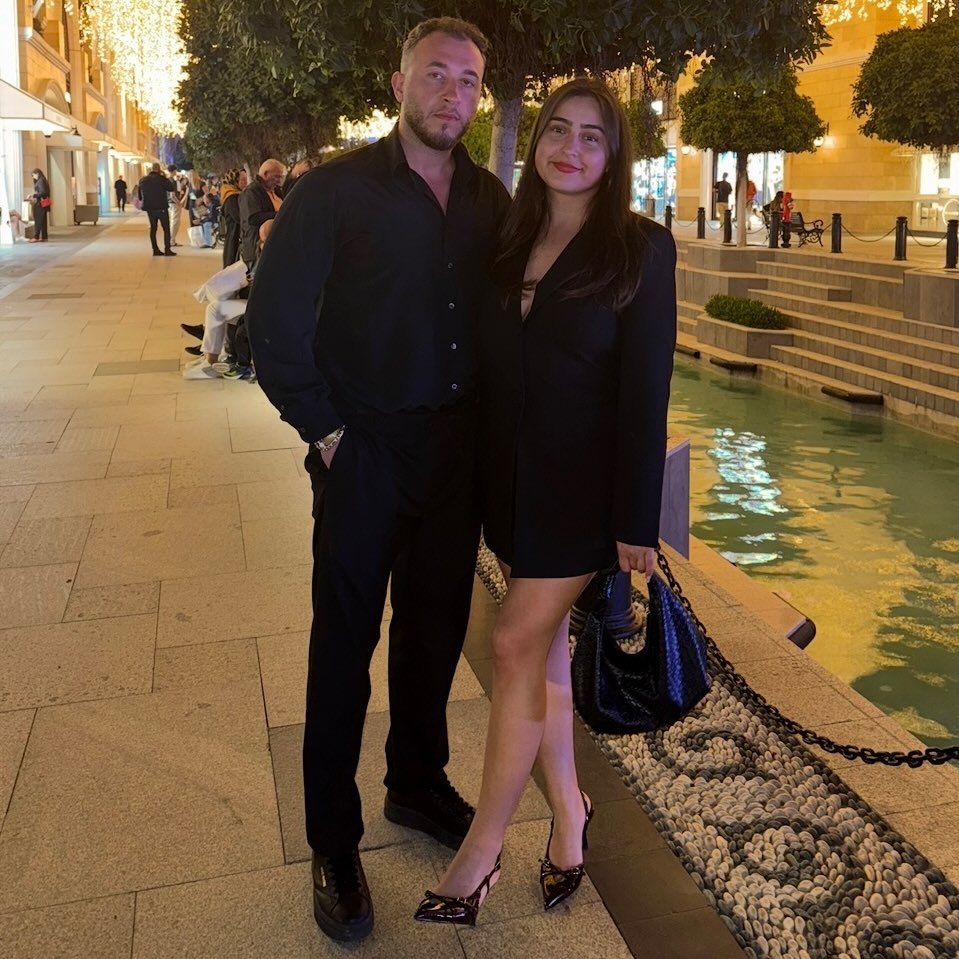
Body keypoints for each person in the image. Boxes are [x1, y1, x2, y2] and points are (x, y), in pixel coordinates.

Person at [246, 16, 510, 944]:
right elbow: (273, 325)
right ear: (399, 85)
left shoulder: (488, 201)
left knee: (434, 633)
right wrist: (327, 435)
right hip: (363, 453)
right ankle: (332, 840)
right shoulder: (334, 191)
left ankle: (416, 781)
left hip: (454, 454)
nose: (452, 93)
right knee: (342, 649)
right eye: (435, 74)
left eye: (467, 80)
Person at [414, 77, 676, 926]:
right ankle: (570, 817)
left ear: (613, 154)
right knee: (546, 658)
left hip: (582, 497)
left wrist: (635, 522)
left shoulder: (640, 248)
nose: (571, 148)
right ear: (536, 142)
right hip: (510, 489)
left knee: (513, 642)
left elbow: (645, 393)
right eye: (558, 130)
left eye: (592, 136)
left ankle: (481, 849)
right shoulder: (510, 234)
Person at [238, 159, 284, 268]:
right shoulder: (251, 192)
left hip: (274, 246)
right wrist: (281, 215)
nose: (279, 181)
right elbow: (253, 217)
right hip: (257, 249)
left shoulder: (276, 190)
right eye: (276, 177)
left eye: (280, 177)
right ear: (266, 174)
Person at [137, 163, 176, 256]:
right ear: (159, 169)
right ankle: (167, 249)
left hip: (149, 208)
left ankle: (155, 249)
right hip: (161, 207)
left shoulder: (143, 180)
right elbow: (171, 188)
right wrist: (164, 176)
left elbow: (140, 196)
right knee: (166, 228)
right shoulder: (161, 179)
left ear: (151, 169)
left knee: (153, 229)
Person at [219, 168, 247, 267]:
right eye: (243, 179)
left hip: (234, 238)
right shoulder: (231, 198)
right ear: (234, 181)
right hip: (234, 240)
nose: (246, 182)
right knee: (232, 269)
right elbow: (239, 218)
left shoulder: (235, 195)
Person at [29, 169, 50, 242]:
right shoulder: (43, 180)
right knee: (43, 221)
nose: (33, 177)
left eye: (33, 175)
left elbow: (43, 193)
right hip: (44, 204)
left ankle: (36, 237)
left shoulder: (41, 181)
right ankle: (44, 237)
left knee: (38, 220)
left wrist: (33, 195)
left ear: (37, 173)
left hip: (40, 204)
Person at [167, 166, 186, 247]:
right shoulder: (173, 182)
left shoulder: (167, 180)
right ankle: (172, 240)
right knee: (175, 222)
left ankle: (170, 239)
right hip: (174, 203)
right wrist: (179, 203)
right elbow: (173, 195)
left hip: (168, 203)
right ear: (174, 171)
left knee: (171, 222)